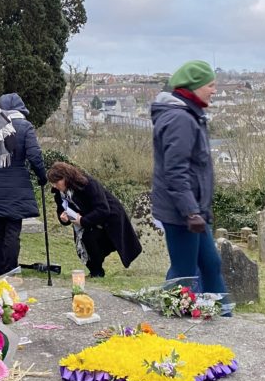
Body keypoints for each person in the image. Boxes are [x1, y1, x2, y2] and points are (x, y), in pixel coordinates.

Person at [151, 60, 232, 314]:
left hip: (194, 210)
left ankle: (223, 315)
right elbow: (175, 171)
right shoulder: (180, 119)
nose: (214, 90)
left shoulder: (190, 114)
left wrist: (199, 210)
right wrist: (190, 212)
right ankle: (168, 319)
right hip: (183, 213)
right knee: (183, 273)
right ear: (194, 86)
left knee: (209, 263)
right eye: (210, 85)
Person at [0, 93, 47, 276]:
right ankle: (11, 272)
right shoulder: (25, 127)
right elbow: (34, 156)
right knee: (12, 232)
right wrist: (42, 176)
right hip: (17, 187)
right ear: (20, 110)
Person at [46, 161, 142, 278]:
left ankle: (105, 272)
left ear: (65, 178)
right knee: (86, 241)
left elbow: (103, 209)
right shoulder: (59, 194)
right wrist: (64, 218)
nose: (54, 186)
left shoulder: (87, 184)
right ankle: (96, 272)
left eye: (56, 182)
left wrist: (83, 221)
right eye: (52, 183)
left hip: (110, 218)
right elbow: (60, 210)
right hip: (86, 222)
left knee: (97, 240)